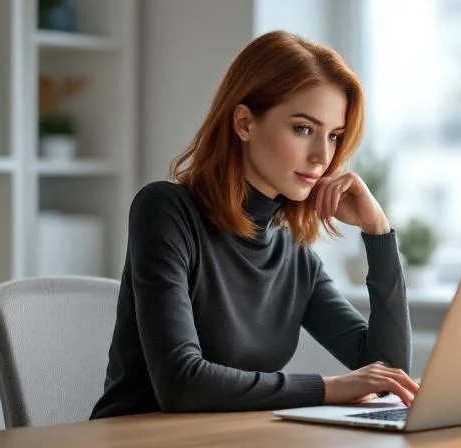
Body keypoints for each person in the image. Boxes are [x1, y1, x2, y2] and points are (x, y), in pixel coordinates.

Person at [89, 31, 418, 419]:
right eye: (303, 129)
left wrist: (378, 232)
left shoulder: (292, 252)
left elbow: (389, 374)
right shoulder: (165, 210)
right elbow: (181, 383)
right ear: (245, 123)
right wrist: (328, 389)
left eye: (334, 136)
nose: (322, 156)